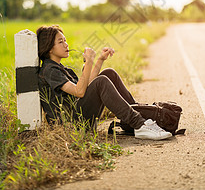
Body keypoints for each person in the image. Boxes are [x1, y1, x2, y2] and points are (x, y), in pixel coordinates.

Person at [36, 25, 172, 140]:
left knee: (108, 73)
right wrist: (88, 62)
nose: (66, 44)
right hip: (72, 126)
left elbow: (87, 86)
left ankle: (137, 120)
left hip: (79, 116)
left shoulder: (60, 68)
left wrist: (99, 60)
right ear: (49, 48)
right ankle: (139, 125)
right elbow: (80, 91)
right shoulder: (49, 70)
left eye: (65, 40)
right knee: (101, 81)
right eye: (60, 42)